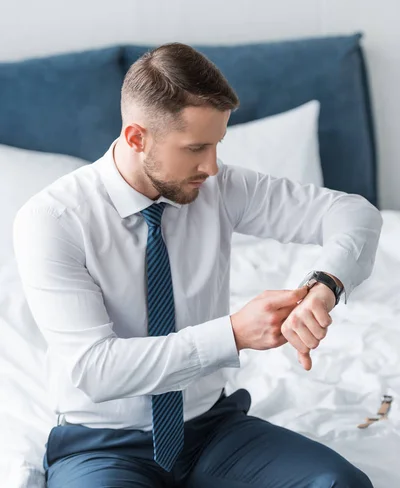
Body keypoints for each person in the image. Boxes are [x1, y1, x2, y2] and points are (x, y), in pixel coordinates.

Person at [13, 43, 381, 488]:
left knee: (339, 483)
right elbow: (93, 369)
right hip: (102, 444)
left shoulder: (219, 186)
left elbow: (353, 213)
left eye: (218, 145)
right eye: (196, 148)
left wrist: (325, 284)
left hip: (213, 430)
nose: (211, 166)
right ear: (136, 137)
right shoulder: (53, 219)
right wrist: (232, 334)